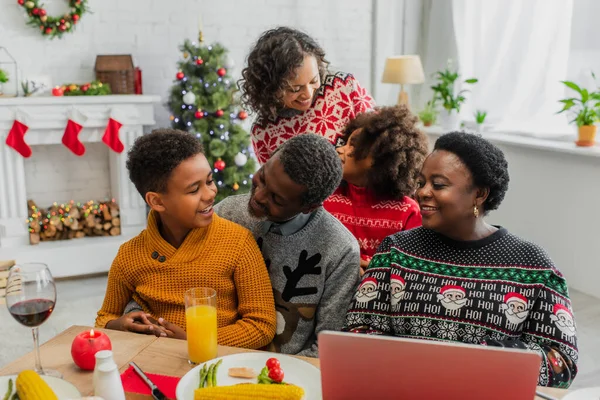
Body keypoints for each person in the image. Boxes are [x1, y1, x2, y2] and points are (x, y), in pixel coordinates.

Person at [345, 132, 578, 387]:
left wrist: (480, 360)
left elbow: (561, 362)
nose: (422, 192)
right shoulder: (396, 252)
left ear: (479, 195)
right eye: (421, 182)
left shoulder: (533, 264)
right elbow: (359, 332)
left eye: (439, 184)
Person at [95, 129, 276, 350]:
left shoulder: (238, 242)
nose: (210, 194)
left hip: (218, 366)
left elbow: (262, 325)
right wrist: (118, 325)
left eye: (209, 180)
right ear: (157, 202)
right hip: (155, 363)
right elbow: (105, 317)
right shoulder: (129, 256)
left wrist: (196, 341)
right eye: (193, 190)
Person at [214, 134, 360, 358]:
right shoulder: (225, 214)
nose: (259, 196)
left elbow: (328, 348)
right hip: (217, 357)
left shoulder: (340, 250)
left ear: (309, 207)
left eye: (277, 199)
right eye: (262, 177)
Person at [239, 26, 375, 165]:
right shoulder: (263, 132)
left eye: (314, 80)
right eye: (295, 89)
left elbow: (380, 140)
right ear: (270, 88)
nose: (308, 94)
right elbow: (275, 184)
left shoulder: (344, 86)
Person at [323, 105, 428, 274]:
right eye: (346, 142)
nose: (341, 149)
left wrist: (374, 268)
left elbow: (413, 265)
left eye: (355, 146)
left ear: (384, 160)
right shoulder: (325, 197)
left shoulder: (407, 212)